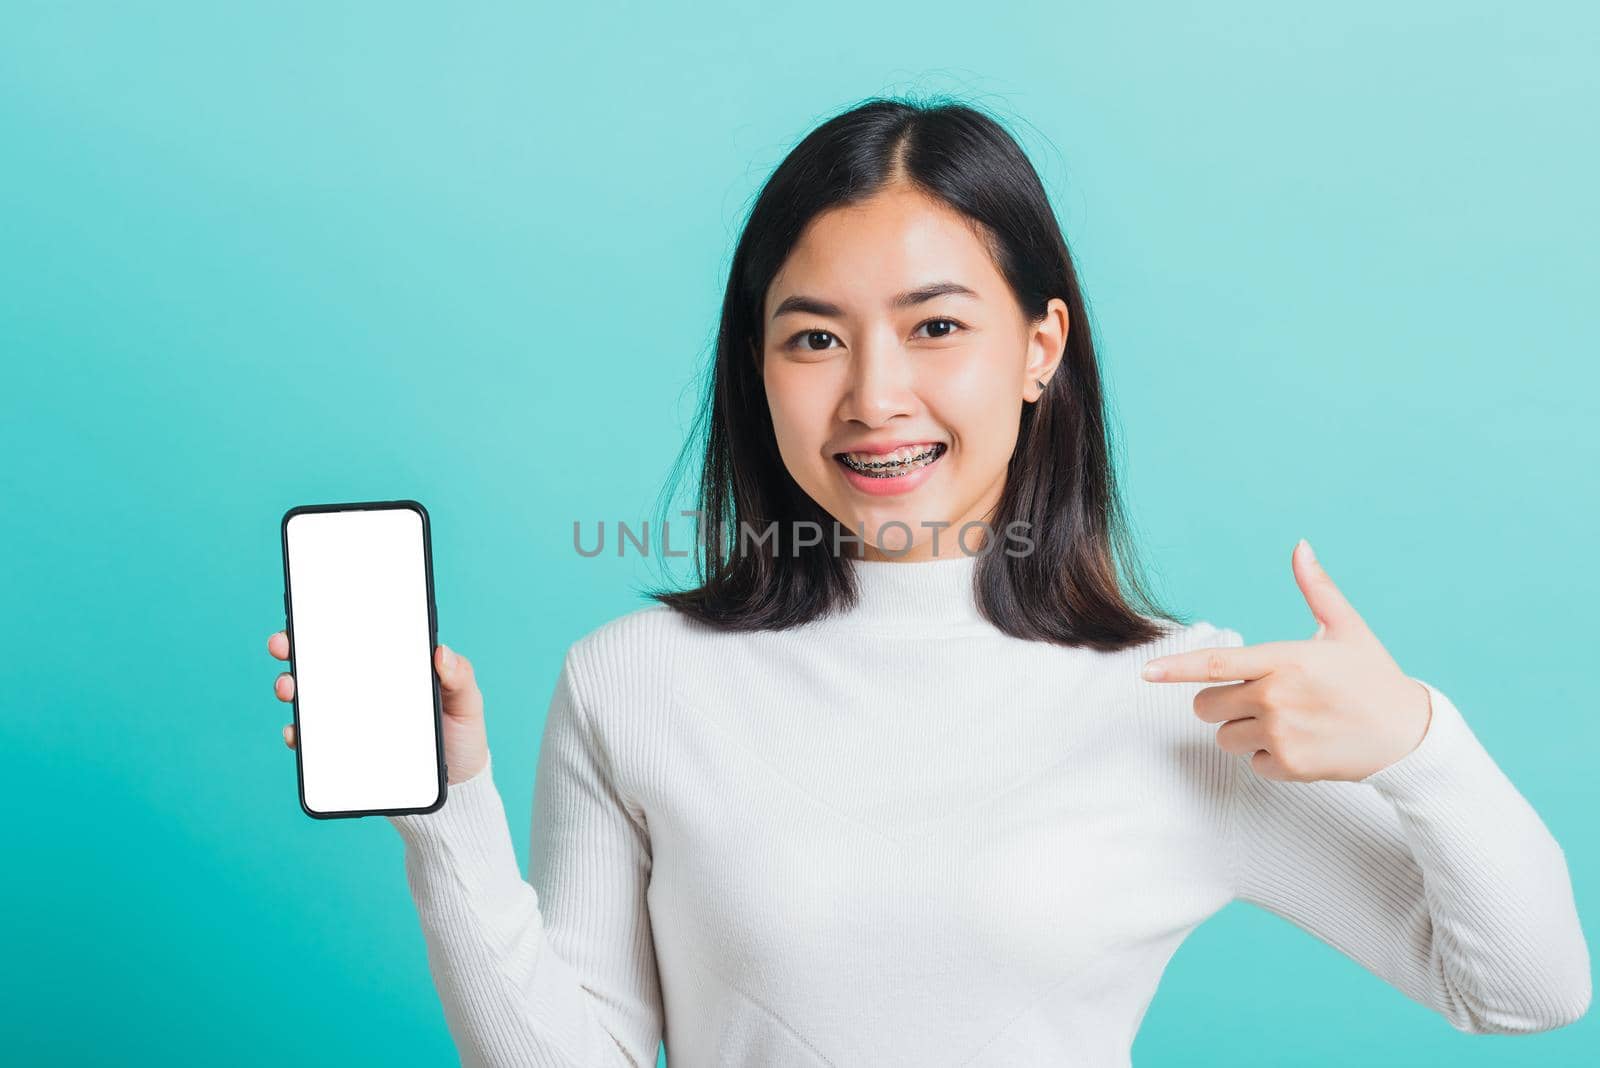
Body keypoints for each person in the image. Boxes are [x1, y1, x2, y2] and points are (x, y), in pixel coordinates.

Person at [265, 97, 1590, 1066]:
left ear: (1041, 344)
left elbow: (1528, 991)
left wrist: (1419, 741)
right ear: (757, 364)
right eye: (814, 336)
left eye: (937, 325)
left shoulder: (1183, 697)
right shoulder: (632, 682)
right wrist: (445, 813)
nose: (873, 395)